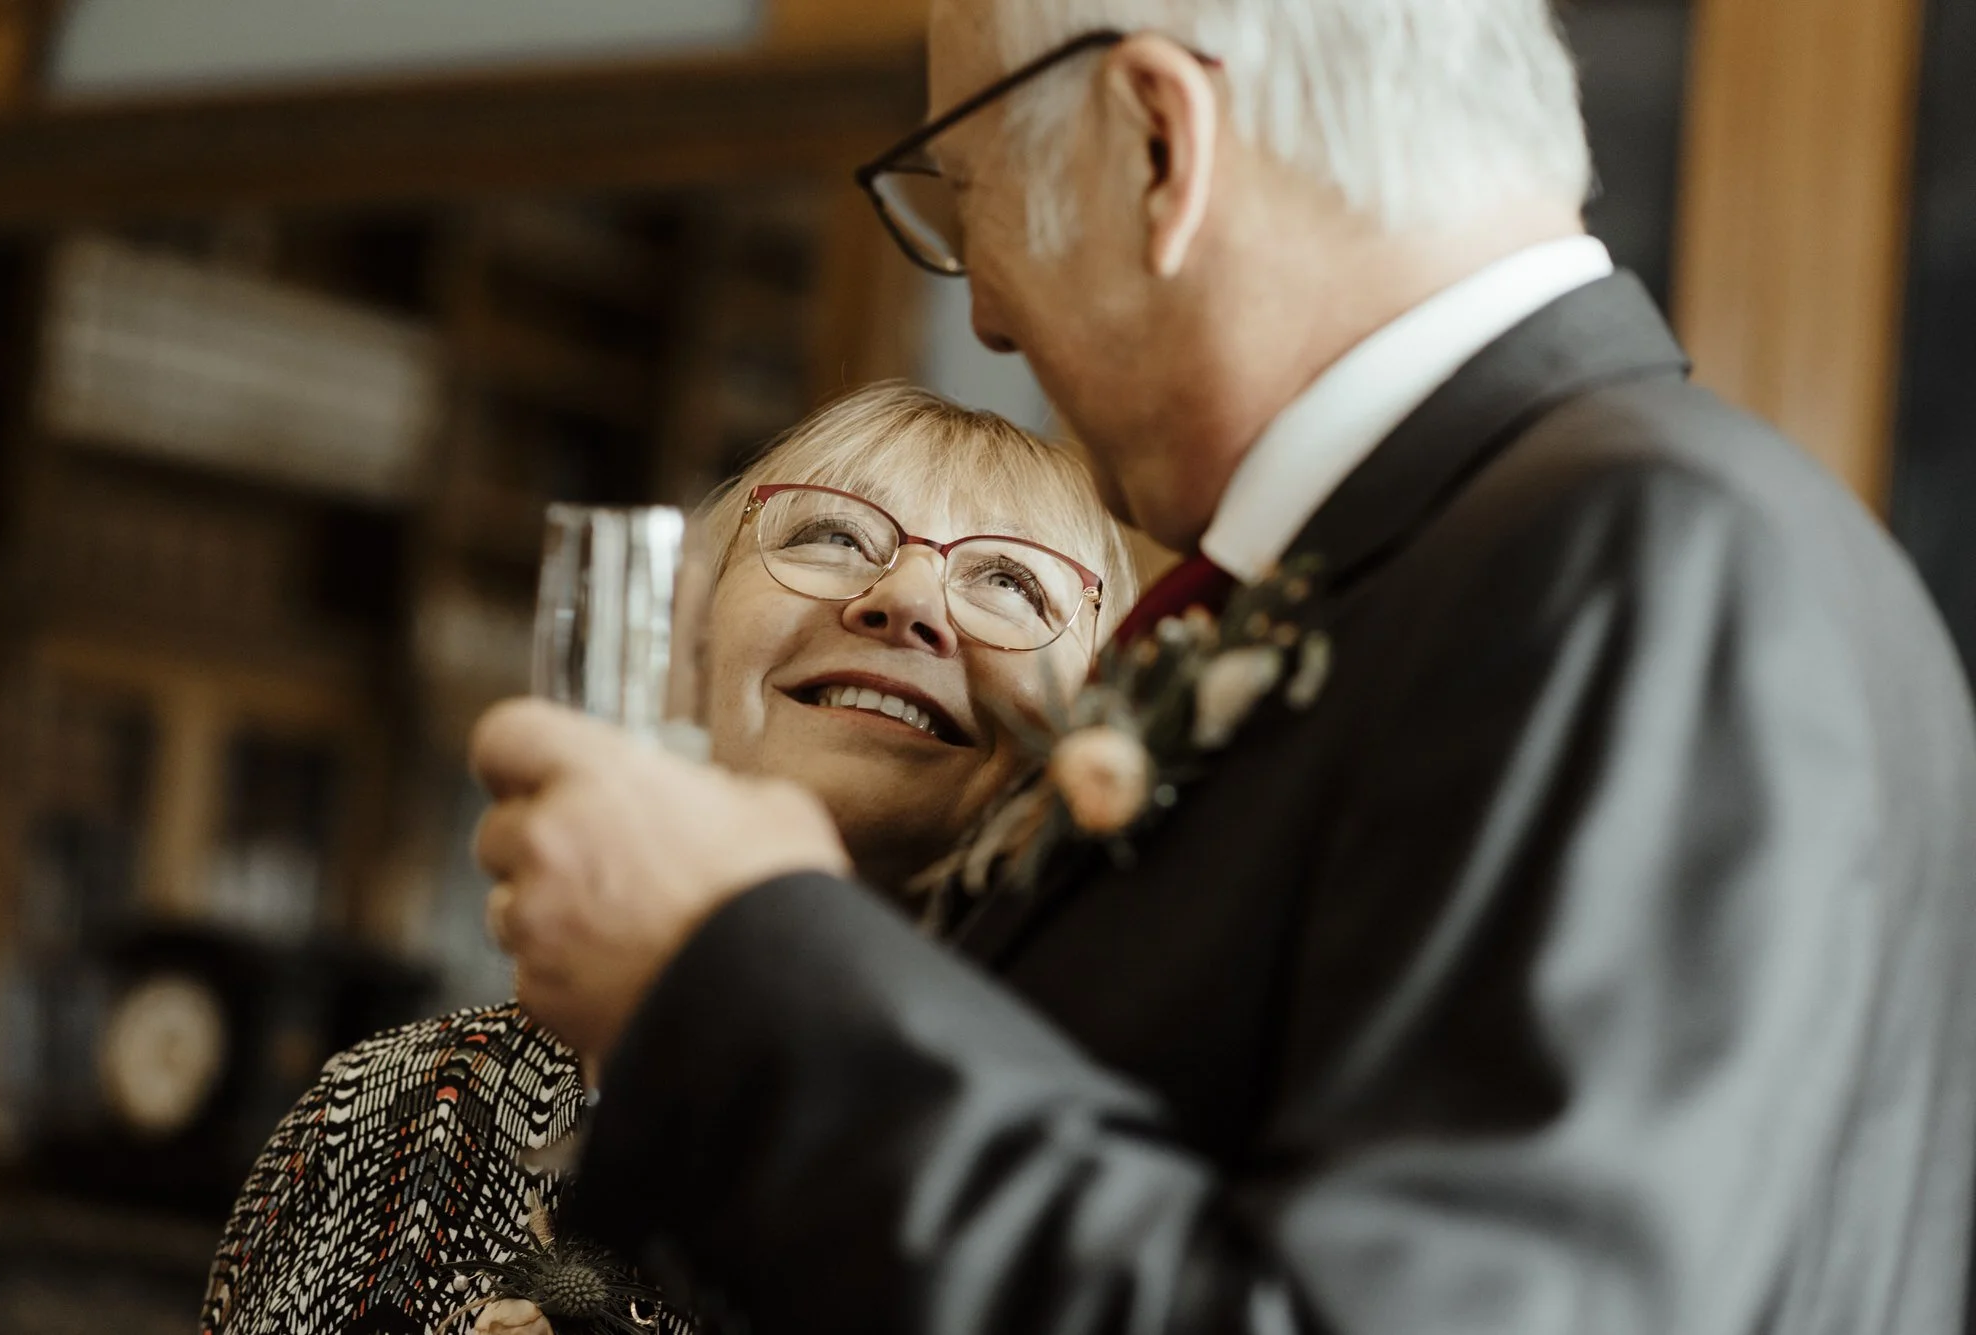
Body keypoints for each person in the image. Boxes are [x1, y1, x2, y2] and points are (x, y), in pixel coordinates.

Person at [472, 2, 1976, 1333]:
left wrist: (735, 973)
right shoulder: (1449, 562)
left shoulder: (1632, 558)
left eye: (972, 198)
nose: (982, 311)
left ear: (1156, 143)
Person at [195, 382, 1136, 1335]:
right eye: (833, 536)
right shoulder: (392, 1111)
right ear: (686, 648)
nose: (904, 602)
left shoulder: (1077, 1198)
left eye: (1010, 583)